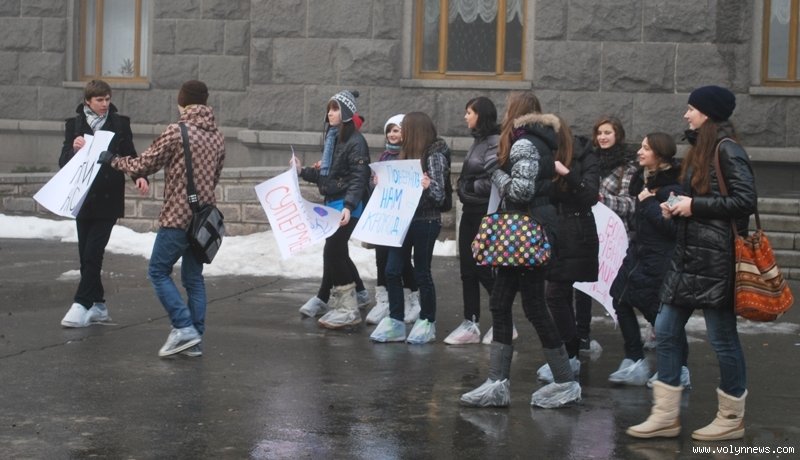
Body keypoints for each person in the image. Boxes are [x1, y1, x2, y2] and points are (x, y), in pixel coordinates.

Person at [627, 85, 756, 441]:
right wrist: (676, 206)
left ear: (707, 113)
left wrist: (693, 206)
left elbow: (745, 200)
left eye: (691, 109)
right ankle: (665, 415)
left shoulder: (727, 149)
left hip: (716, 261)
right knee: (666, 329)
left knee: (722, 339)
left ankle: (731, 417)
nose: (686, 114)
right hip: (687, 257)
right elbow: (699, 197)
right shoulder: (701, 148)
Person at [460, 92, 581, 408]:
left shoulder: (524, 144)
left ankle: (562, 382)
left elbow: (522, 190)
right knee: (505, 302)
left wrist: (495, 171)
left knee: (530, 306)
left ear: (516, 112)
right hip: (526, 231)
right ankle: (499, 382)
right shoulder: (538, 141)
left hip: (524, 232)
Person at [98, 80, 224, 357]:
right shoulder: (217, 136)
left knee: (157, 271)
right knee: (194, 279)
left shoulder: (177, 131)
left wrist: (112, 160)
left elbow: (145, 164)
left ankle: (184, 328)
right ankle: (194, 340)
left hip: (177, 216)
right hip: (203, 220)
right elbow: (214, 177)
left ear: (182, 102)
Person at [59, 79, 149, 328]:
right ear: (87, 101)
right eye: (99, 100)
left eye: (107, 99)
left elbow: (130, 155)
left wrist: (140, 177)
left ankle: (81, 303)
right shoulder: (74, 125)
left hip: (109, 197)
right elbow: (63, 162)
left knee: (93, 253)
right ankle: (98, 306)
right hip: (82, 197)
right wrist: (74, 149)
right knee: (85, 255)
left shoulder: (119, 123)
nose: (104, 104)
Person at [607, 132, 689, 386]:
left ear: (660, 154)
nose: (639, 152)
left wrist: (651, 203)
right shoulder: (643, 183)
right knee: (619, 298)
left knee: (659, 316)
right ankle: (634, 359)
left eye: (646, 148)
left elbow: (674, 229)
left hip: (658, 261)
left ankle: (679, 369)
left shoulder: (674, 188)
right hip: (637, 256)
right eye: (640, 147)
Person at [370, 112, 448, 344]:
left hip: (426, 221)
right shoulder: (404, 155)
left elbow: (439, 195)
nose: (400, 132)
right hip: (403, 219)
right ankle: (396, 320)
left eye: (405, 128)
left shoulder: (434, 156)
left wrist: (428, 185)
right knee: (392, 270)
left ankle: (427, 320)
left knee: (422, 272)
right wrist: (380, 183)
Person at [296, 90, 371, 330]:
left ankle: (348, 308)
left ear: (346, 112)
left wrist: (349, 206)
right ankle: (357, 294)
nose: (330, 113)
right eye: (329, 108)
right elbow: (327, 176)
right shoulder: (333, 138)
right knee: (336, 252)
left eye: (336, 109)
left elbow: (359, 177)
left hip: (347, 206)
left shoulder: (356, 142)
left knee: (334, 252)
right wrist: (301, 171)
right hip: (333, 204)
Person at [537, 121, 599, 382]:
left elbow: (591, 196)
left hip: (576, 232)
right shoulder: (545, 155)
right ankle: (569, 352)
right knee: (558, 294)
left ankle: (570, 353)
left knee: (555, 294)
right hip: (554, 231)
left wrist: (565, 173)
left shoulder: (585, 156)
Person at [573, 116, 638, 352]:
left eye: (608, 132)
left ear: (617, 135)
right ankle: (582, 335)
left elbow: (631, 203)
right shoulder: (588, 161)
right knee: (582, 285)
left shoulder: (628, 167)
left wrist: (601, 199)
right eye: (599, 133)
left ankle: (638, 341)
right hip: (588, 230)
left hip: (614, 237)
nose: (602, 137)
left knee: (621, 289)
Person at [443, 97, 499, 345]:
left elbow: (495, 178)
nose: (465, 117)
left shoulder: (495, 142)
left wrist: (469, 186)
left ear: (481, 115)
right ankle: (470, 322)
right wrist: (464, 186)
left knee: (482, 267)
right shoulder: (478, 140)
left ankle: (503, 320)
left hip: (484, 212)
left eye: (469, 112)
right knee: (467, 268)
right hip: (469, 210)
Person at [364, 114, 422, 326]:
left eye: (396, 130)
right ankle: (383, 300)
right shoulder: (384, 156)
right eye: (389, 130)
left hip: (402, 217)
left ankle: (412, 299)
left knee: (402, 260)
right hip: (384, 217)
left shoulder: (411, 156)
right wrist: (375, 182)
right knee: (381, 258)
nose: (392, 134)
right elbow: (375, 185)